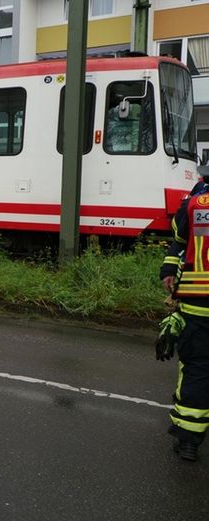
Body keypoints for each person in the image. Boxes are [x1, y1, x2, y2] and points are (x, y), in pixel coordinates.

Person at [158, 166, 209, 462]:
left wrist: (169, 274)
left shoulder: (194, 204)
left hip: (198, 302)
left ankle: (188, 440)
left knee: (197, 369)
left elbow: (181, 242)